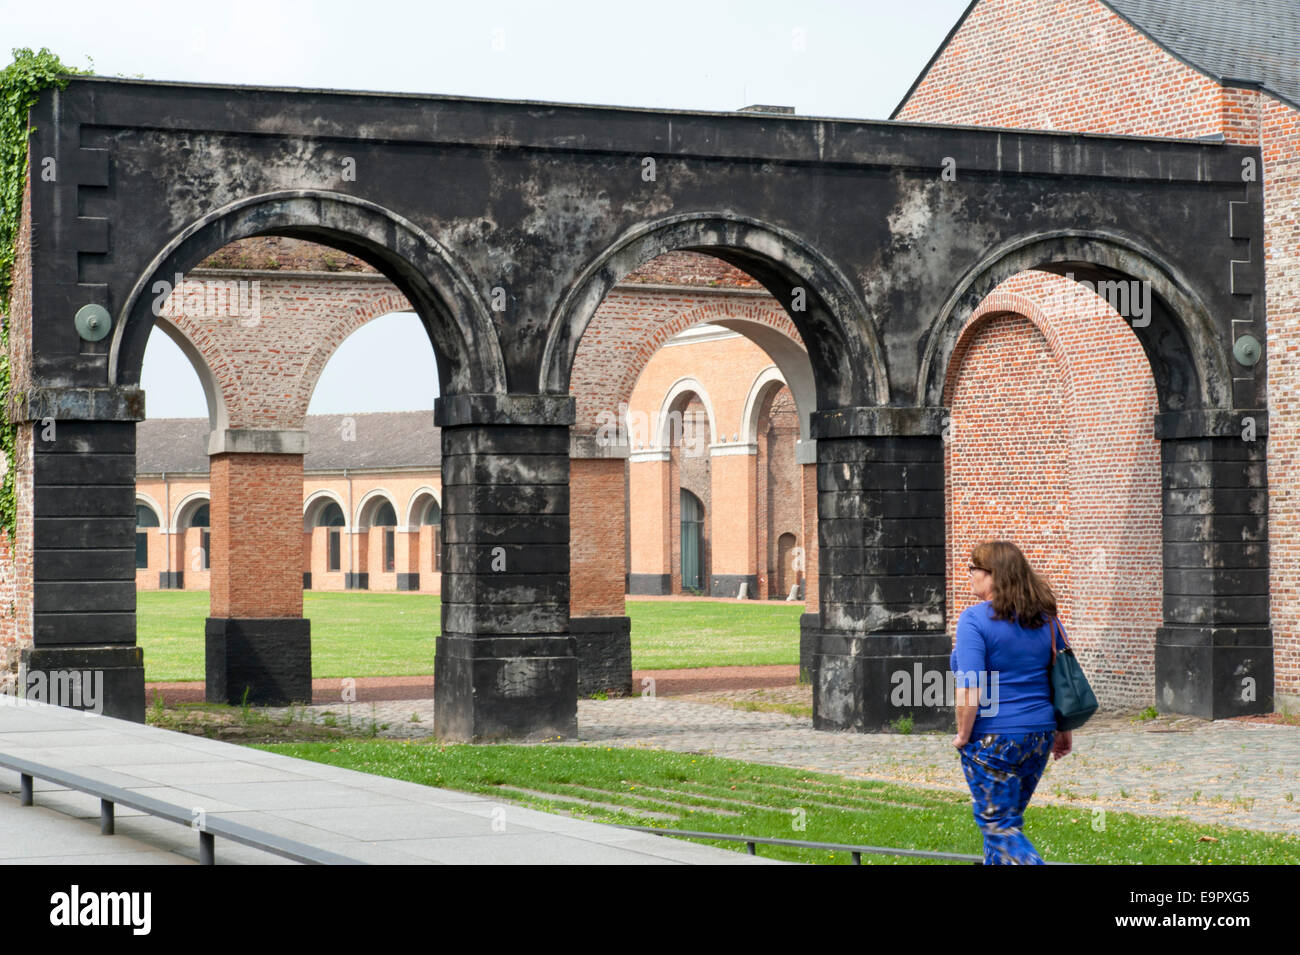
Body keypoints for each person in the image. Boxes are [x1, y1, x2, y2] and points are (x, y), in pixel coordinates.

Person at [950, 540, 1074, 865]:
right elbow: (1061, 677)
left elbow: (971, 686)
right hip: (1039, 737)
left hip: (994, 741)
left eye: (974, 568)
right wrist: (1063, 729)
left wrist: (963, 735)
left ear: (994, 575)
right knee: (1006, 826)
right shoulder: (1046, 620)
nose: (970, 575)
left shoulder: (974, 621)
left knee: (1000, 828)